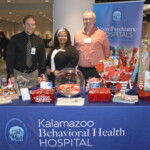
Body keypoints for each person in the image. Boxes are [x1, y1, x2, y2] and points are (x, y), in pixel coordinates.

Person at [6, 15, 46, 88]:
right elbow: (9, 58)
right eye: (28, 24)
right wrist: (10, 74)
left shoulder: (39, 41)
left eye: (32, 24)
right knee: (19, 97)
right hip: (18, 74)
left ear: (35, 26)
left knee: (33, 96)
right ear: (23, 25)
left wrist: (41, 74)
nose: (30, 26)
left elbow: (42, 59)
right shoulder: (14, 39)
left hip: (34, 75)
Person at [74, 10, 110, 81]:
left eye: (90, 19)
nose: (88, 21)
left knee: (95, 91)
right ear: (83, 21)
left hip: (96, 70)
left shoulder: (102, 34)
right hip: (81, 70)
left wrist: (103, 70)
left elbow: (106, 53)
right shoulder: (77, 35)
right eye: (85, 19)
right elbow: (75, 53)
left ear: (94, 21)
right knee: (81, 91)